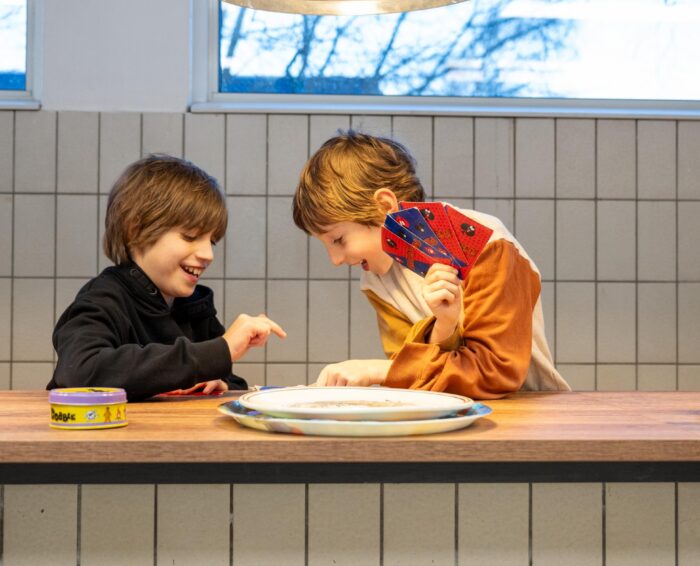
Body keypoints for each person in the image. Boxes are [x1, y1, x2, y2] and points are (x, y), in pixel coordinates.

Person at [292, 131, 569, 399]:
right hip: (454, 414)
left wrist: (375, 370)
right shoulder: (376, 280)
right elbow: (416, 378)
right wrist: (443, 329)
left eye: (338, 240)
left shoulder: (487, 244)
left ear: (385, 206)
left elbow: (495, 372)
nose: (335, 260)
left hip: (529, 409)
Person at [48, 154, 285, 401]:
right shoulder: (104, 299)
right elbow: (80, 371)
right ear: (135, 230)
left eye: (212, 241)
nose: (208, 254)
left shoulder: (194, 308)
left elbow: (230, 382)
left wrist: (217, 380)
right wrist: (219, 351)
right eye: (190, 236)